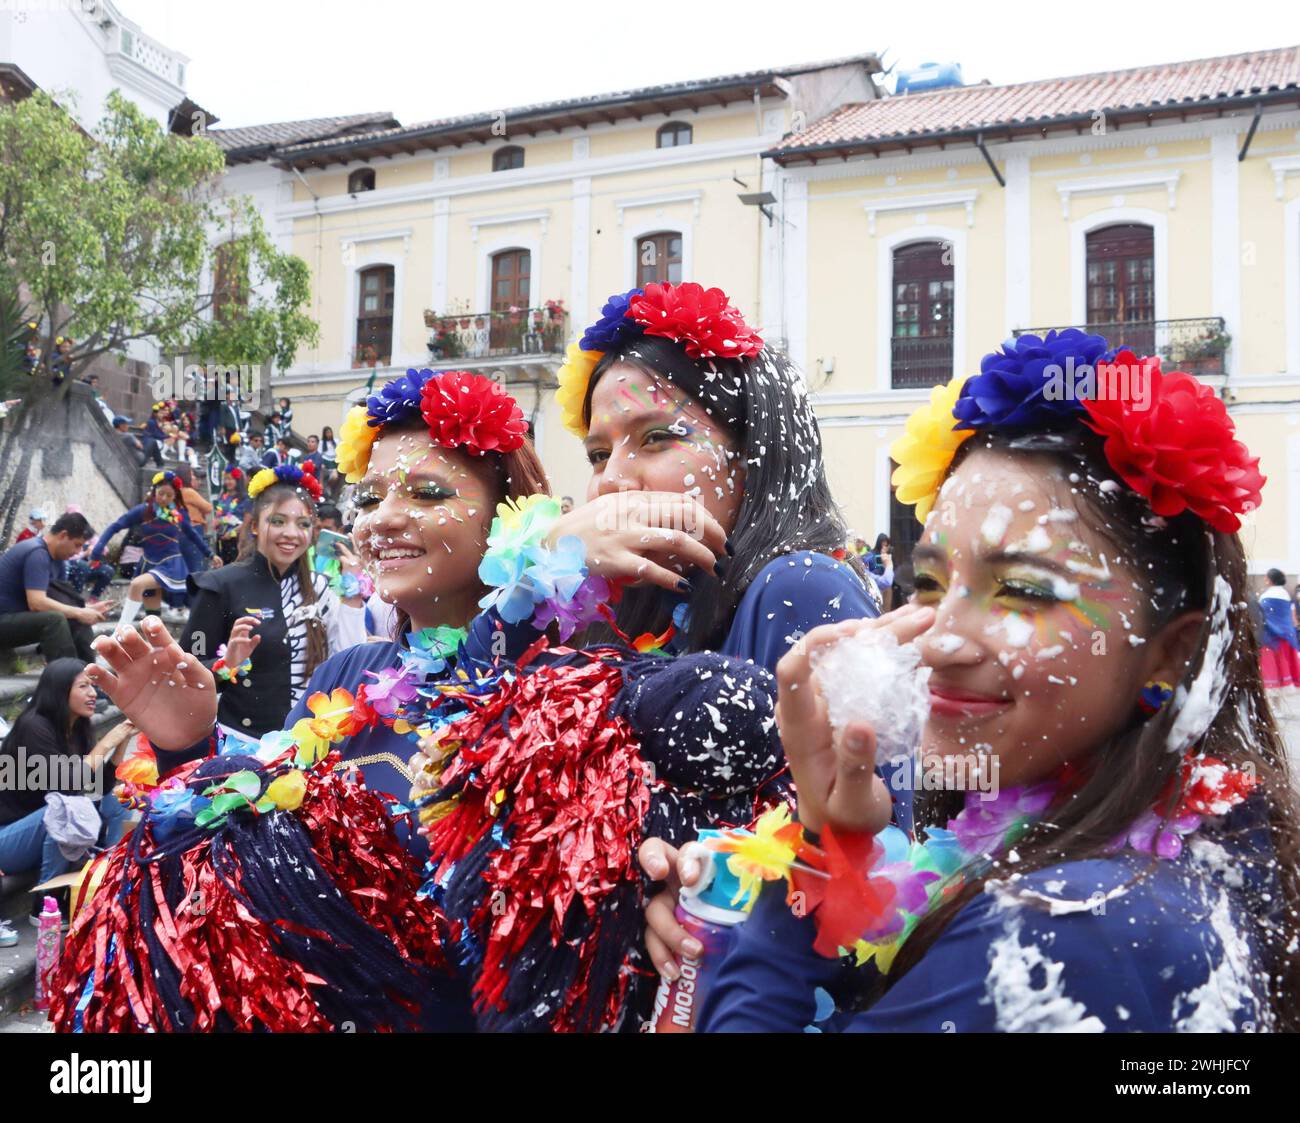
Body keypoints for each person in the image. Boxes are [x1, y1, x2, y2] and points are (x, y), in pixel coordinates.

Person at [689, 330, 1295, 1032]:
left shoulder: (1063, 930)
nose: (940, 640)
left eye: (1021, 590)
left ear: (1169, 652)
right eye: (930, 582)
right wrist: (833, 852)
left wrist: (807, 865)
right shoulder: (1165, 849)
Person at [172, 460, 365, 742]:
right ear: (254, 526)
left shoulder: (322, 588)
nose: (290, 533)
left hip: (311, 747)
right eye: (278, 521)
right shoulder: (218, 586)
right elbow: (185, 673)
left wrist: (352, 592)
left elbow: (349, 660)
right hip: (244, 748)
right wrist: (228, 664)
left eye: (303, 524)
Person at [0, 659, 134, 923]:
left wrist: (123, 740)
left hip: (43, 830)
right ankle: (45, 902)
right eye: (83, 686)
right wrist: (109, 740)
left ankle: (110, 878)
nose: (93, 693)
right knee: (68, 808)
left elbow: (99, 787)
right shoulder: (33, 726)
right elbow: (69, 782)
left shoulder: (78, 727)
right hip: (8, 840)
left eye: (93, 686)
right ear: (60, 691)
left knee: (116, 801)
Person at [91, 471, 217, 627]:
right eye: (161, 493)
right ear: (154, 491)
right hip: (148, 564)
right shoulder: (144, 511)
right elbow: (116, 526)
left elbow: (193, 535)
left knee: (137, 584)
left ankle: (119, 633)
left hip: (171, 564)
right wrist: (98, 547)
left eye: (169, 495)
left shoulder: (179, 514)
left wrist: (210, 554)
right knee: (152, 618)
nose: (164, 498)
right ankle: (157, 646)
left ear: (175, 497)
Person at [0, 513, 107, 662]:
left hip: (21, 620)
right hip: (4, 621)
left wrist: (88, 609)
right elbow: (37, 603)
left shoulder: (58, 561)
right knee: (54, 619)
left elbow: (58, 600)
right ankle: (68, 678)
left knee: (77, 618)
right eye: (77, 545)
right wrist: (79, 612)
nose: (78, 552)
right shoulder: (37, 553)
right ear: (63, 535)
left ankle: (88, 676)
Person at [1259, 567, 1300, 688]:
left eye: (1266, 576)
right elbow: (1289, 616)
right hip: (1287, 634)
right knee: (1284, 660)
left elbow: (1264, 616)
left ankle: (1275, 682)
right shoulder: (1285, 594)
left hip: (1271, 635)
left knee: (1273, 662)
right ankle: (1286, 681)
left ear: (1270, 580)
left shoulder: (1267, 596)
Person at [212, 465, 249, 566]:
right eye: (225, 479)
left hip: (236, 539)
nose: (227, 482)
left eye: (230, 479)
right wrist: (215, 521)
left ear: (237, 480)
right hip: (222, 539)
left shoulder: (244, 498)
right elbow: (218, 514)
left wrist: (233, 532)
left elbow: (247, 521)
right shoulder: (223, 496)